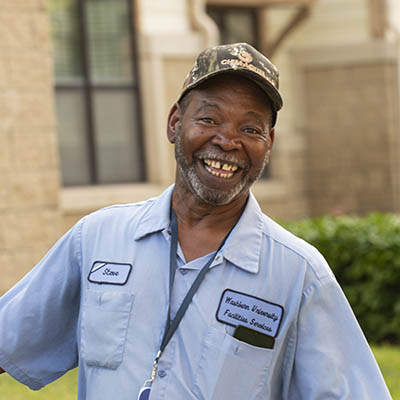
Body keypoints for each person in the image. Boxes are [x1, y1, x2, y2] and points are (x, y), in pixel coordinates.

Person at [0, 43, 392, 400]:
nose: (227, 140)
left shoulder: (298, 275)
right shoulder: (97, 239)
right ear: (175, 122)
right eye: (209, 119)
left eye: (250, 129)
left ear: (268, 145)